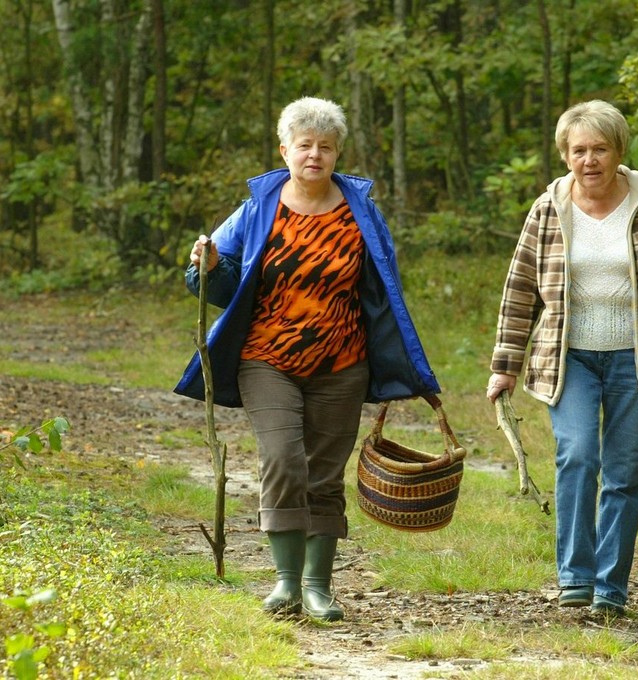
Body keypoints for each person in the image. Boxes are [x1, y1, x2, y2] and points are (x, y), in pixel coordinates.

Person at [174, 96, 440, 622]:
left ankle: (318, 587)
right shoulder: (257, 209)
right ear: (285, 150)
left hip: (342, 363)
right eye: (304, 145)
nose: (313, 154)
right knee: (283, 459)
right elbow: (211, 281)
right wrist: (203, 263)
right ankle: (285, 582)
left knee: (323, 472)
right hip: (266, 358)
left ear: (338, 152)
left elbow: (384, 291)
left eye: (325, 146)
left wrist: (402, 362)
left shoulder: (360, 212)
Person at [486, 100, 638, 617]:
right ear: (565, 155)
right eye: (578, 150)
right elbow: (521, 287)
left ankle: (610, 587)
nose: (589, 160)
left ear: (618, 151)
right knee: (578, 456)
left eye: (599, 149)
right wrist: (505, 363)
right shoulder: (548, 208)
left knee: (623, 472)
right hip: (568, 357)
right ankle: (575, 576)